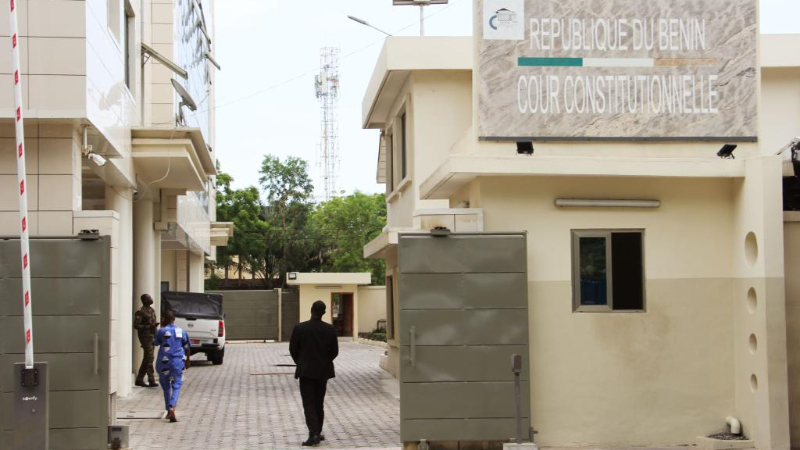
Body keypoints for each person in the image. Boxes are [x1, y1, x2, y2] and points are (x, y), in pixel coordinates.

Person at [289, 300, 339, 446]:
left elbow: (293, 349)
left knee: (308, 403)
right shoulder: (330, 329)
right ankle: (317, 431)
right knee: (319, 402)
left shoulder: (300, 328)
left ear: (311, 310)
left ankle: (314, 434)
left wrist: (300, 362)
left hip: (306, 371)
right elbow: (334, 352)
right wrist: (324, 361)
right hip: (322, 372)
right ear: (324, 313)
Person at [154, 309, 191, 423]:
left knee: (166, 386)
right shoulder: (181, 331)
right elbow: (187, 347)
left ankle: (168, 409)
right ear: (174, 319)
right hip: (177, 362)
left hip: (163, 362)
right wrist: (188, 360)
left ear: (163, 319)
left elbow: (155, 343)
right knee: (177, 384)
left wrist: (154, 330)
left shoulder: (161, 331)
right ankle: (172, 407)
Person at [133, 294, 158, 388]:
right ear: (144, 300)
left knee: (147, 358)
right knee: (150, 357)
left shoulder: (152, 310)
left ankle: (140, 379)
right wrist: (148, 326)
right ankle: (151, 380)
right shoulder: (140, 312)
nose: (151, 299)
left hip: (152, 336)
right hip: (145, 337)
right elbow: (136, 325)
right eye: (149, 298)